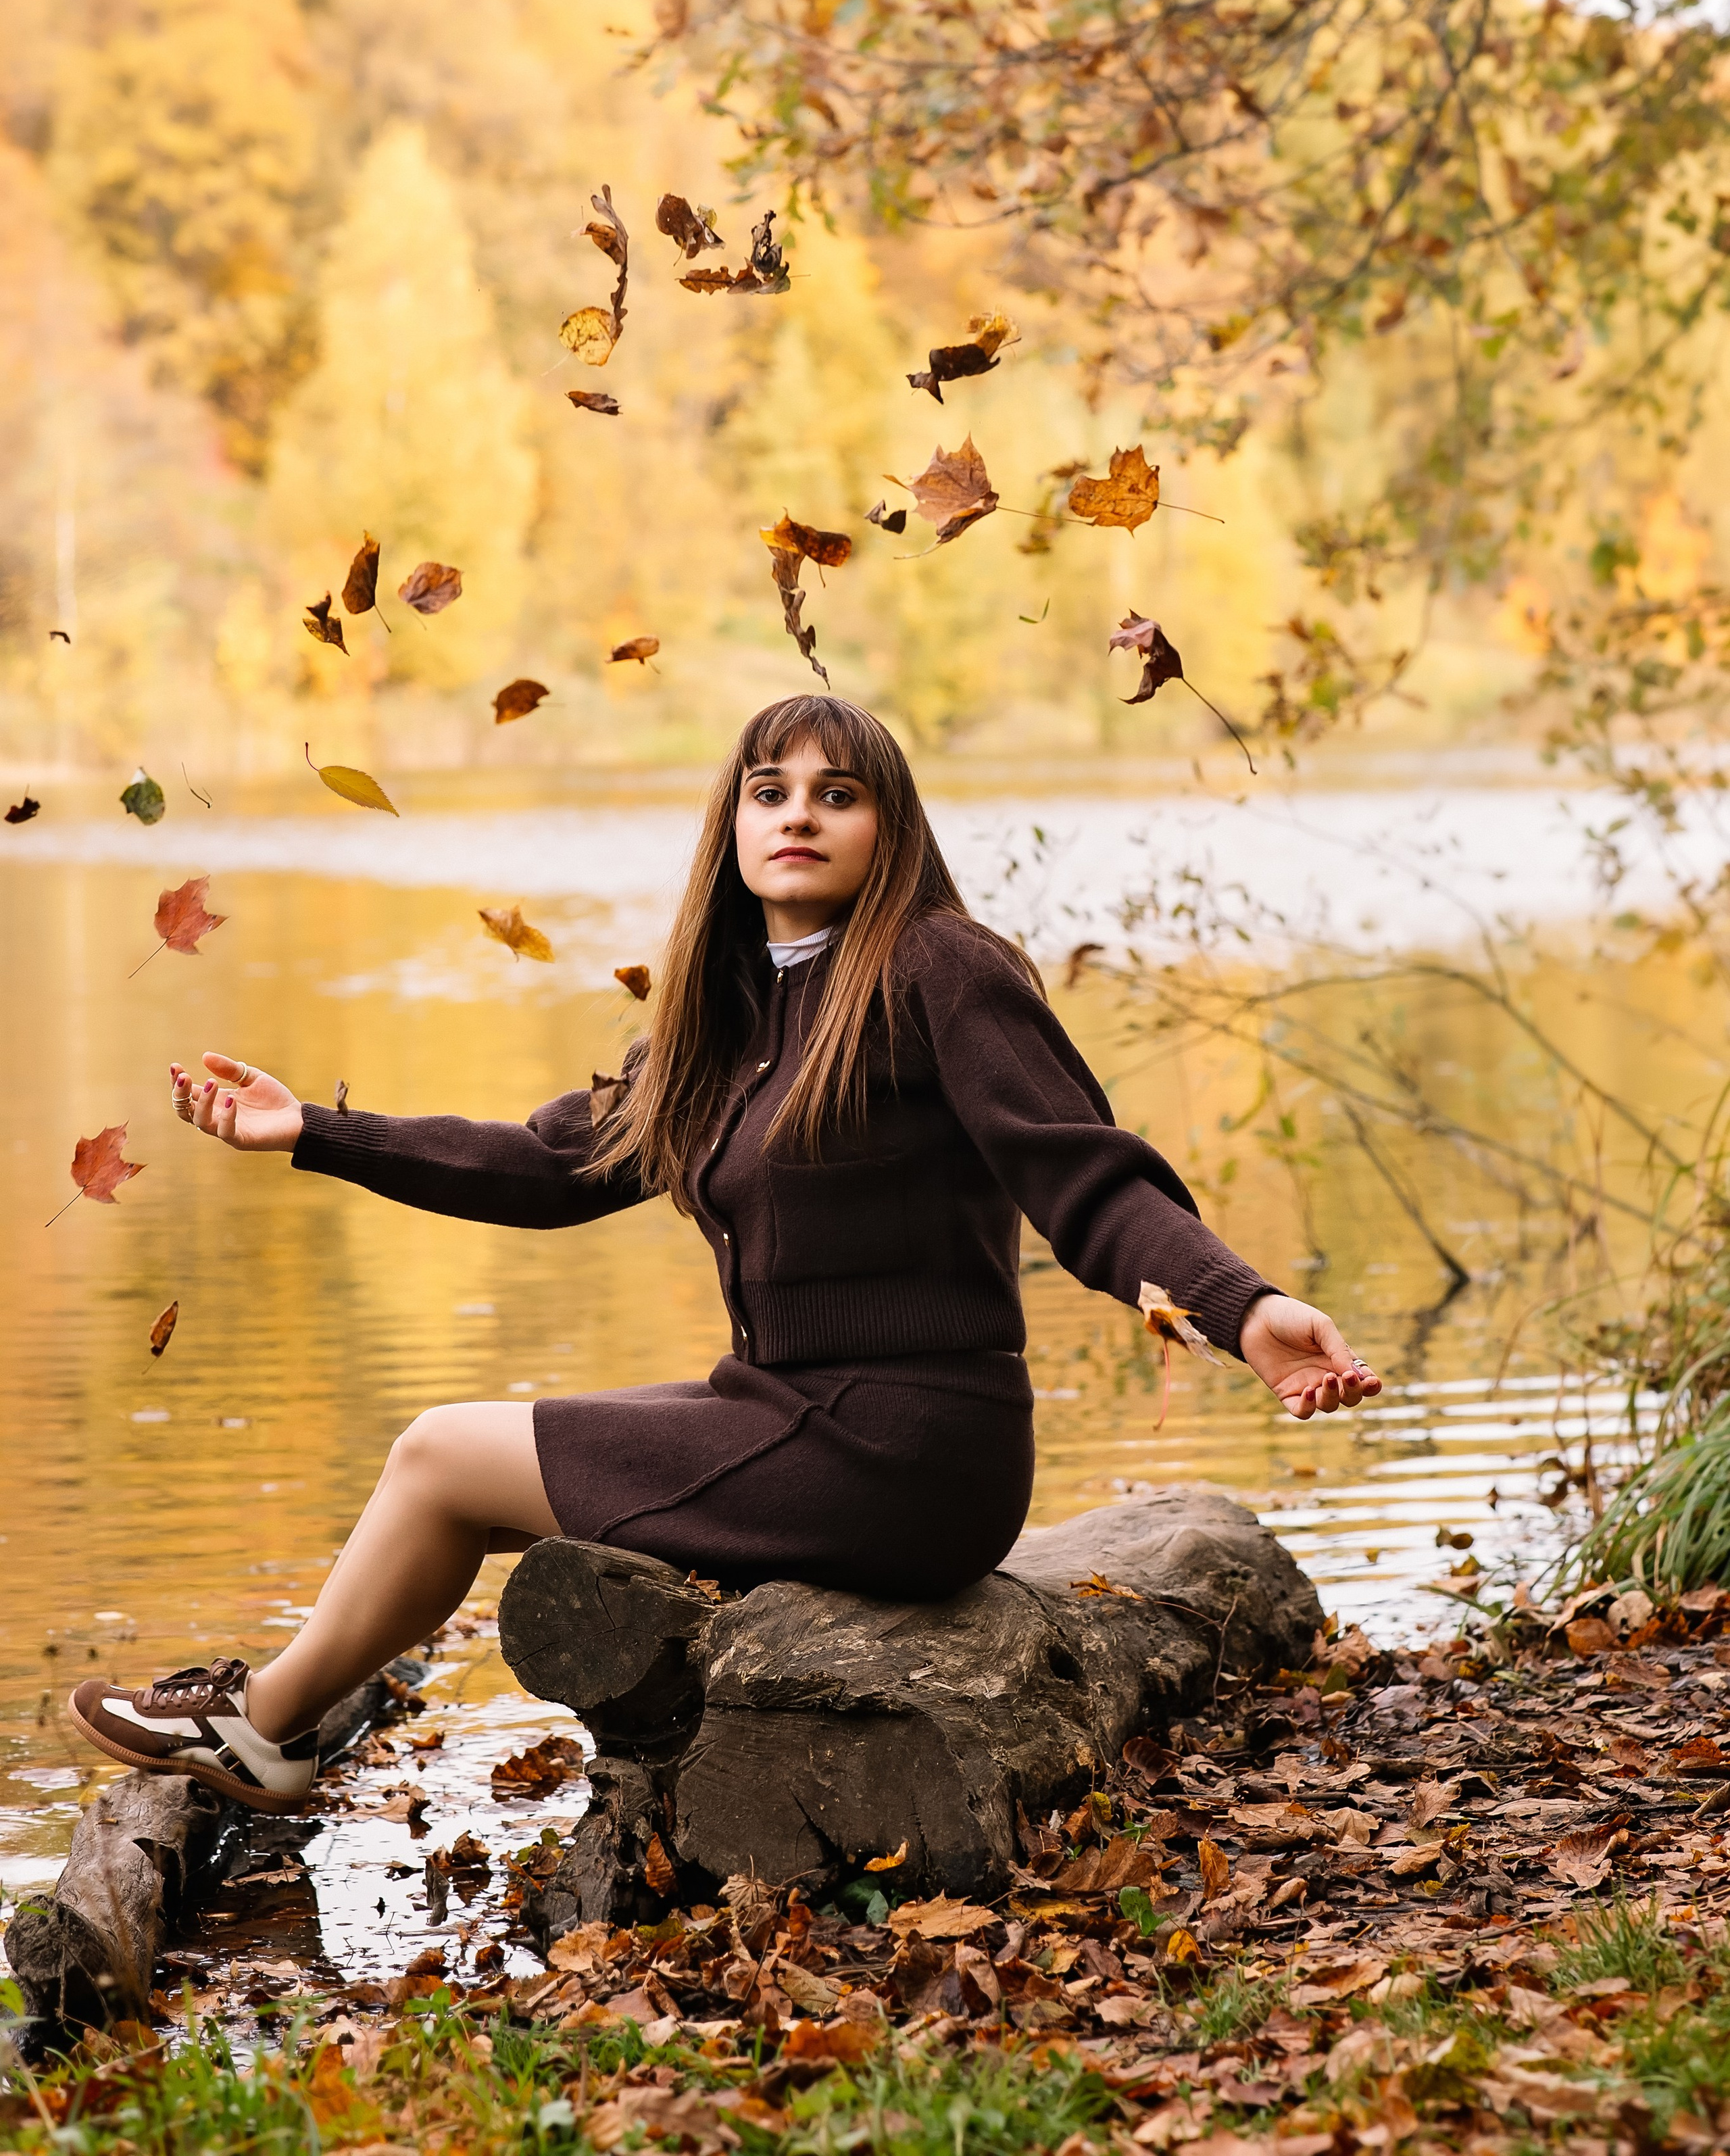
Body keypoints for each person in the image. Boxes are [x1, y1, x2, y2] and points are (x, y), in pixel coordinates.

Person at [68, 694, 1380, 1813]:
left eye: (837, 793)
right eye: (770, 790)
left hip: (909, 1449)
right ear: (734, 826)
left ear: (890, 829)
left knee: (439, 1454)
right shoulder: (729, 1013)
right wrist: (317, 1130)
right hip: (784, 1415)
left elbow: (1083, 1179)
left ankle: (262, 1729)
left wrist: (1240, 1306)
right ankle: (286, 1711)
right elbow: (547, 1165)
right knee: (452, 1474)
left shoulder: (940, 969)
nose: (798, 813)